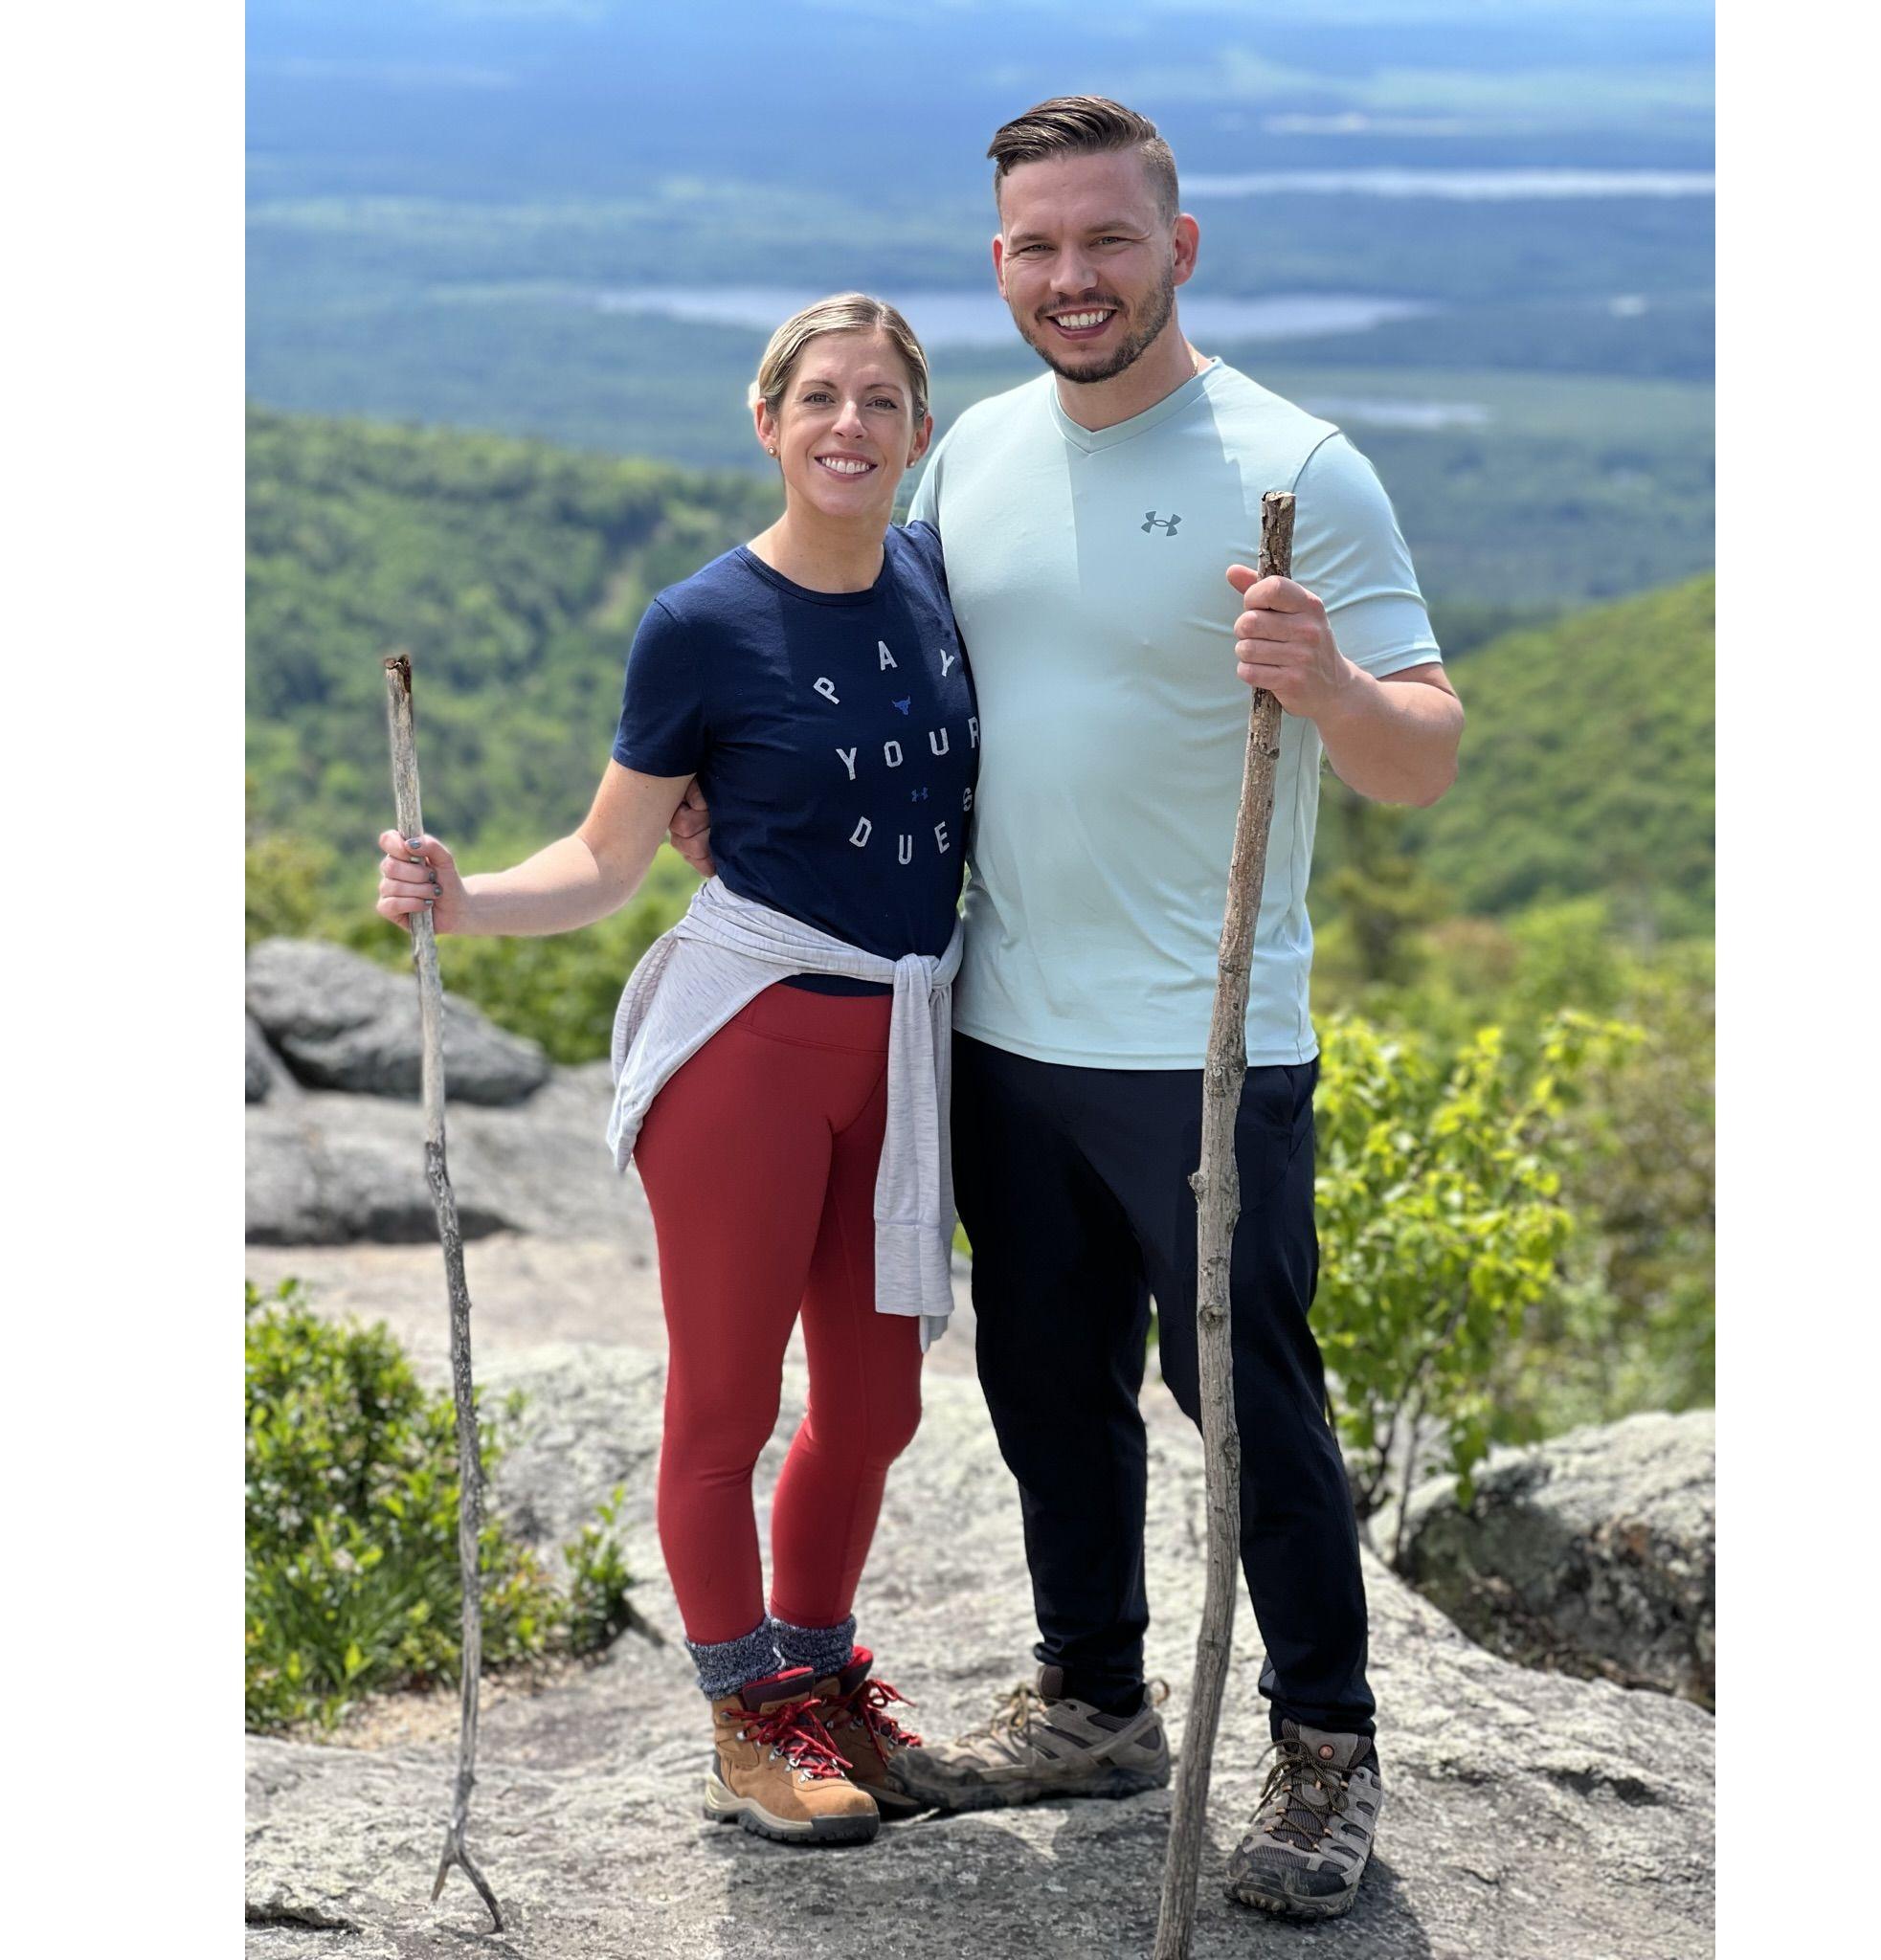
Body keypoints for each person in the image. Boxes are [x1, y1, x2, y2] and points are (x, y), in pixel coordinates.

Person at [668, 100, 1463, 1920]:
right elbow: (873, 666)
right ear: (1002, 263)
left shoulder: (1299, 463)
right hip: (999, 1023)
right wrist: (745, 792)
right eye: (1034, 247)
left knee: (1246, 1404)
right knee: (1048, 1394)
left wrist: (1333, 683)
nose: (1069, 277)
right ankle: (1097, 1701)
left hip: (1205, 1050)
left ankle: (1327, 1752)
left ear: (1180, 247)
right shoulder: (977, 459)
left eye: (1104, 240)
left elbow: (1423, 757)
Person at [373, 294, 979, 1848]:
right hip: (751, 1054)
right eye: (820, 398)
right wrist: (465, 896)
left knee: (877, 1405)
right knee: (726, 1405)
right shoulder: (702, 624)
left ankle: (823, 1669)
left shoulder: (933, 579)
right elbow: (604, 854)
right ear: (768, 421)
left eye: (883, 400)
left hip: (902, 1051)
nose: (851, 425)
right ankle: (748, 1718)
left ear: (920, 427)